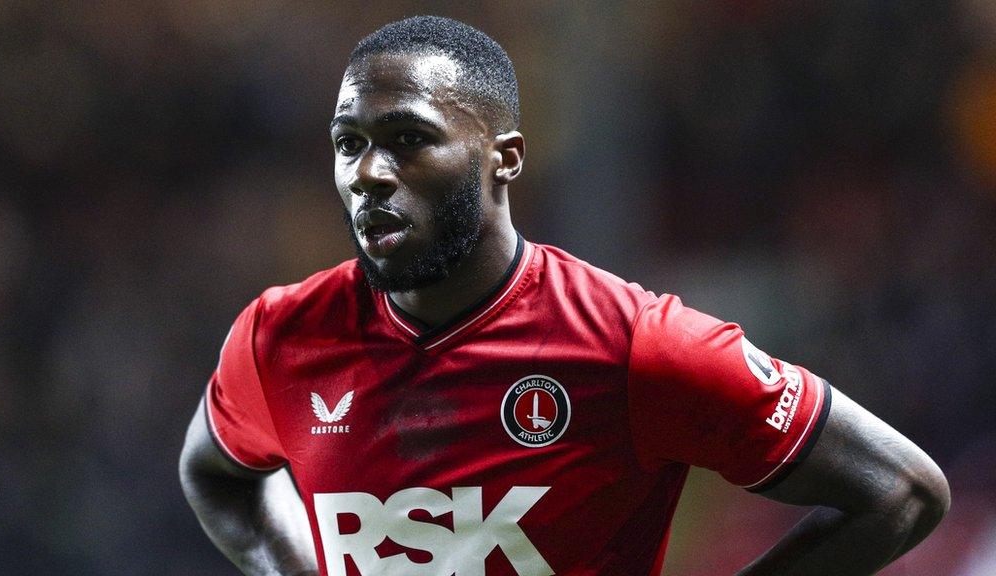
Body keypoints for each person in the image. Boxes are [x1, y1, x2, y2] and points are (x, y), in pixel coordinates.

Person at [179, 15, 950, 576]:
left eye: (410, 139)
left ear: (504, 158)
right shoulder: (281, 337)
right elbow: (214, 473)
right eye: (350, 143)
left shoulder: (633, 346)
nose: (369, 173)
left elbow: (902, 492)